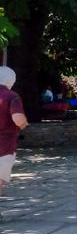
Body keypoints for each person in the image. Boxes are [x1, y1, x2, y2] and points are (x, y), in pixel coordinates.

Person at [0, 67, 29, 197]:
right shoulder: (11, 96)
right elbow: (18, 119)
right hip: (4, 146)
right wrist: (24, 124)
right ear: (11, 80)